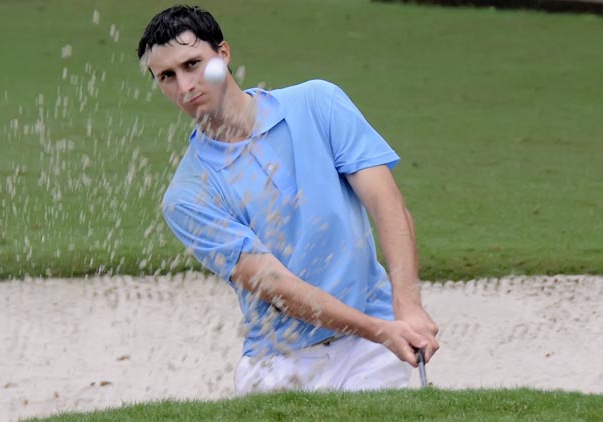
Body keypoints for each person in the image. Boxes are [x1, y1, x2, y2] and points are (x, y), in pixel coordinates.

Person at [137, 5, 439, 394]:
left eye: (193, 64)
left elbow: (389, 207)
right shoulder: (186, 197)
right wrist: (381, 330)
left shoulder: (318, 103)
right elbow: (276, 285)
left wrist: (407, 304)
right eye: (167, 76)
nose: (184, 86)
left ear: (223, 55)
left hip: (370, 348)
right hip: (280, 364)